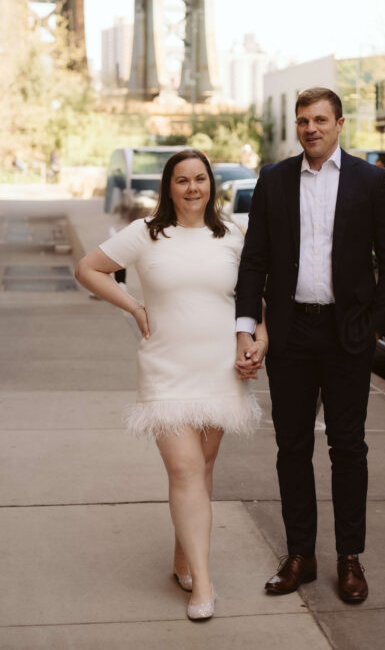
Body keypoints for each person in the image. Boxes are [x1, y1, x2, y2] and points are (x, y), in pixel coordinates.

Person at [75, 149, 264, 621]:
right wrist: (135, 306)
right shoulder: (146, 234)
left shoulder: (233, 236)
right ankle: (202, 583)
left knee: (202, 467)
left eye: (200, 179)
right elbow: (88, 269)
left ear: (211, 185)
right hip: (165, 369)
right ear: (169, 186)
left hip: (219, 369)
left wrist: (259, 343)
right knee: (184, 469)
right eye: (182, 180)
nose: (192, 188)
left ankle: (184, 557)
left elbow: (261, 298)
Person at [235, 87, 385, 603]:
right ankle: (300, 555)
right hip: (291, 334)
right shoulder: (274, 180)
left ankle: (349, 558)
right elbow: (254, 259)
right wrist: (247, 326)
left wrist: (374, 324)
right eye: (303, 120)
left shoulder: (370, 180)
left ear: (339, 124)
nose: (310, 128)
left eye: (320, 120)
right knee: (292, 448)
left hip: (346, 333)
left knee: (348, 448)